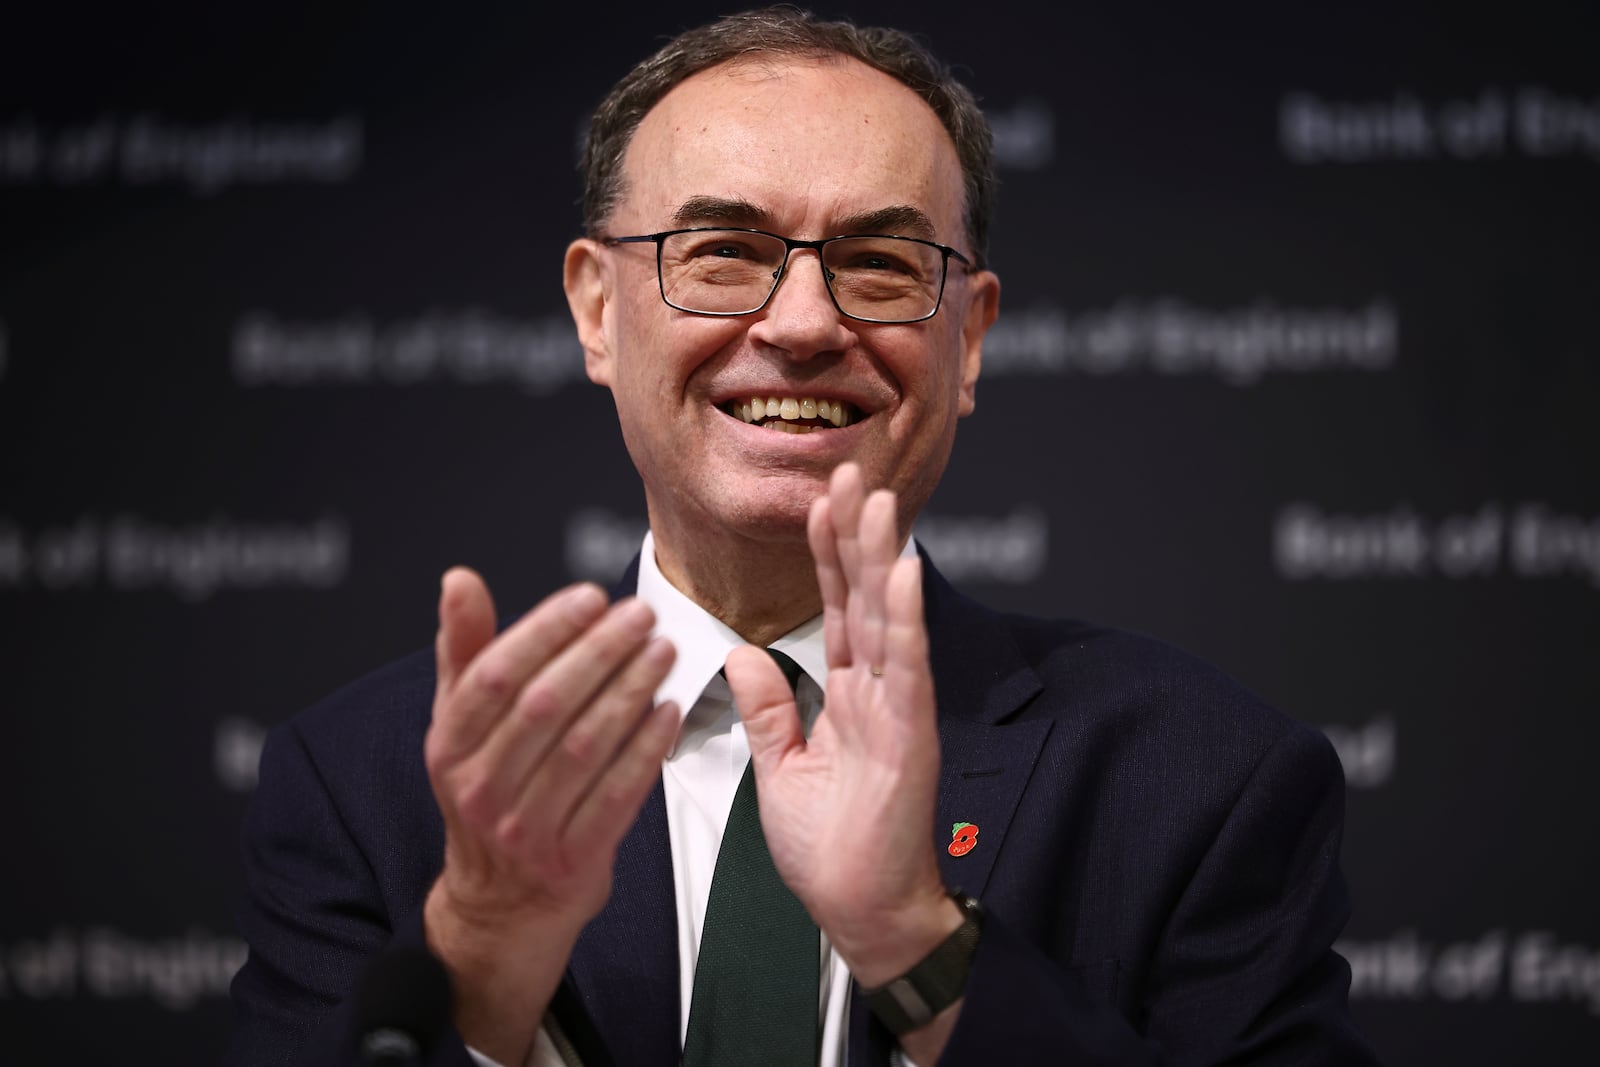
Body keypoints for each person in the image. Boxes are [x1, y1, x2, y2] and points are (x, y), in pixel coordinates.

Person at [228, 8, 1378, 1066]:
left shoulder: (1201, 778)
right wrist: (481, 959)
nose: (802, 323)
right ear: (594, 309)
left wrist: (916, 944)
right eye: (722, 250)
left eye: (880, 263)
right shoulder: (366, 782)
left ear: (966, 338)